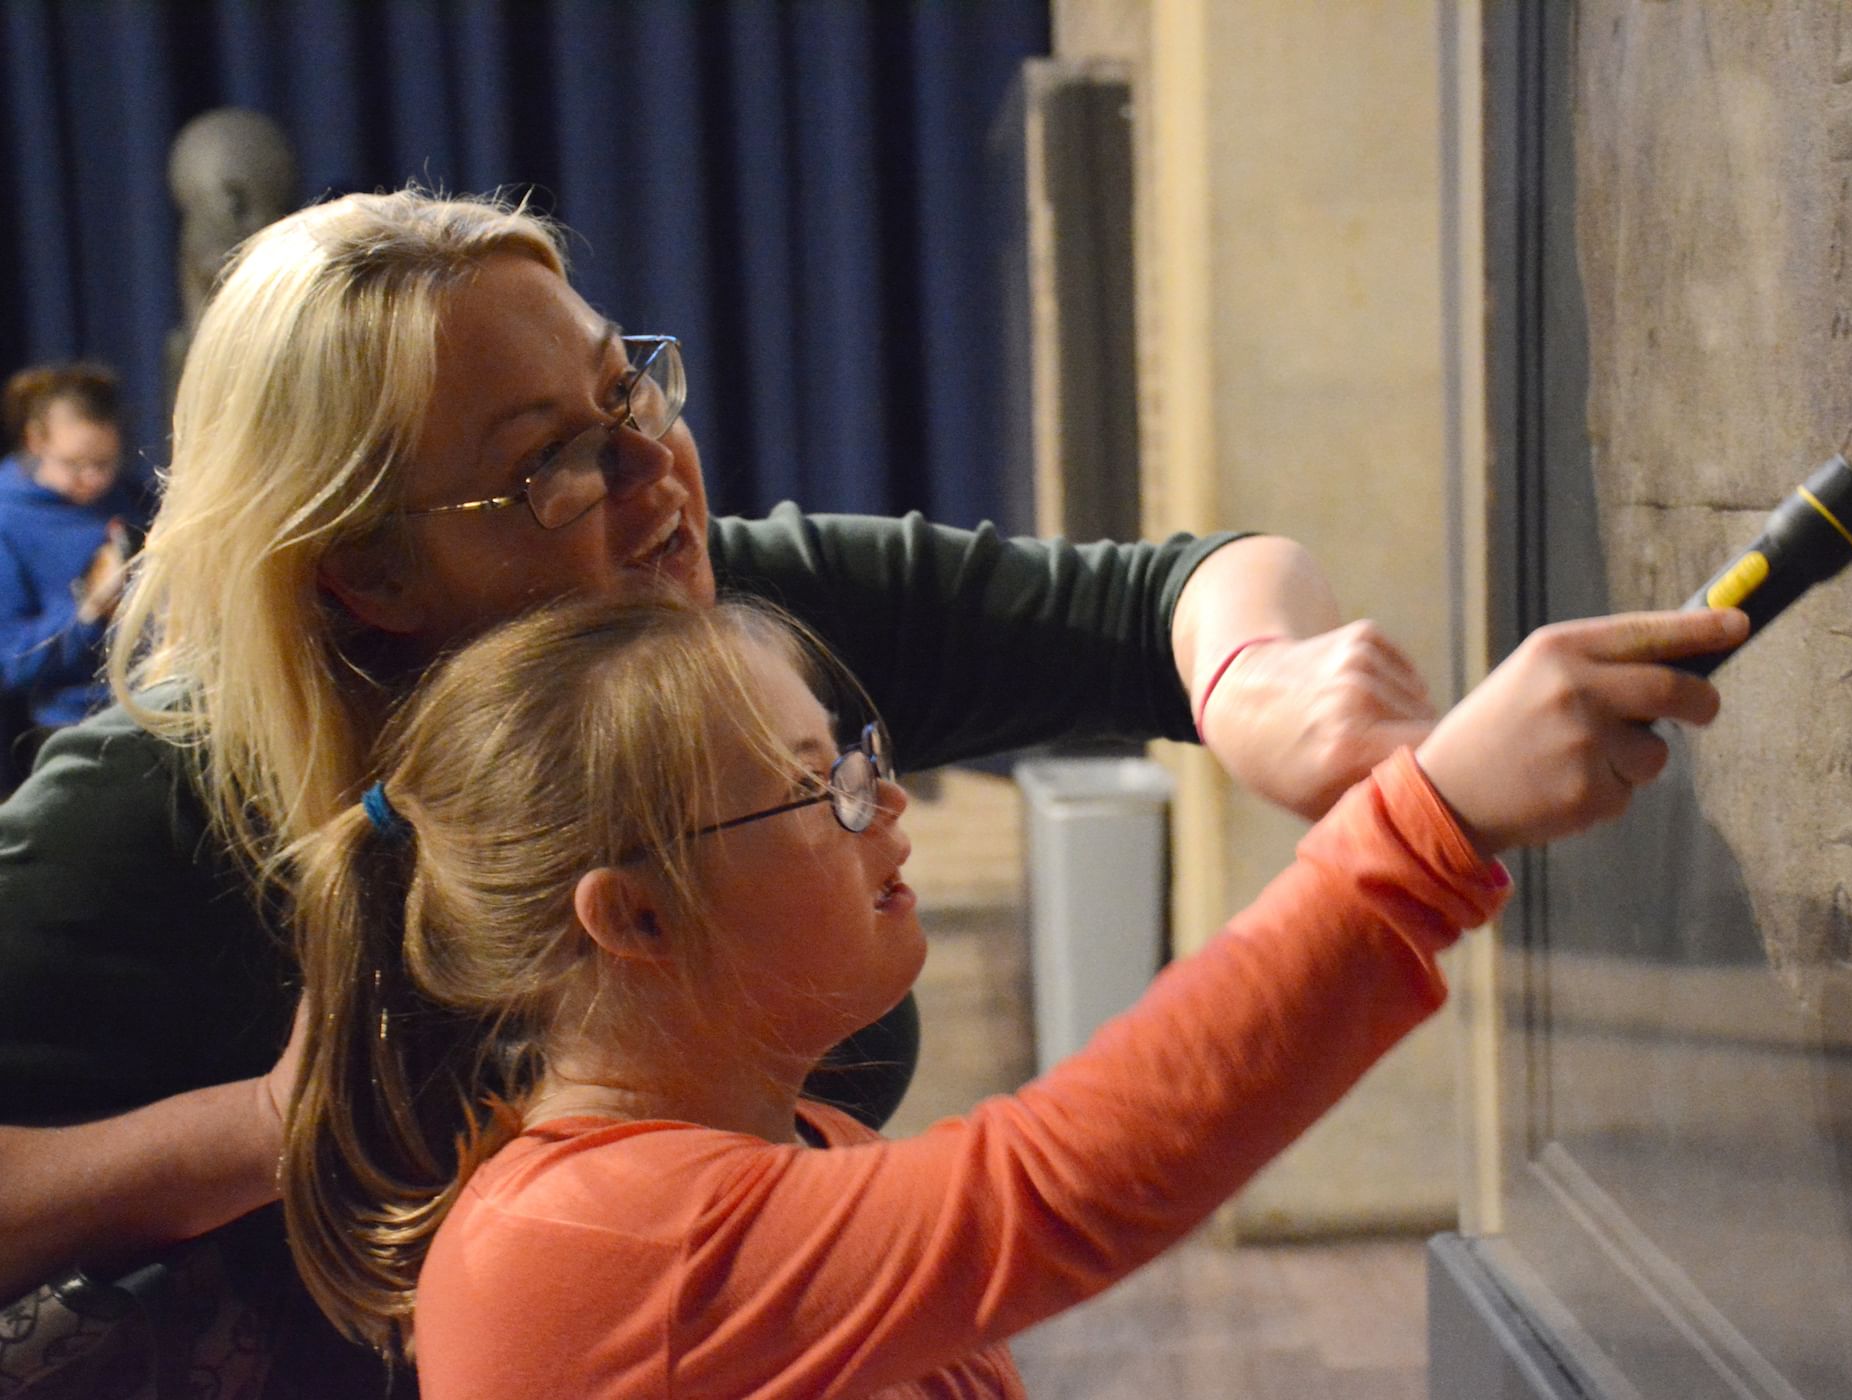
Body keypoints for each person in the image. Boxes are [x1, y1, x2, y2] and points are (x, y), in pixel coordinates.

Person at [0, 188, 1441, 1391]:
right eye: (553, 464)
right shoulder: (161, 803)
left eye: (627, 382)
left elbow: (1171, 597)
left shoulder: (710, 610)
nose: (654, 467)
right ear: (366, 575)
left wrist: (1257, 682)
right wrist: (270, 1127)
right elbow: (1045, 1193)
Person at [279, 590, 1744, 1395]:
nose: (887, 801)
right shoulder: (579, 1242)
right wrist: (1429, 827)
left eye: (853, 754)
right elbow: (1051, 1186)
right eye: (818, 790)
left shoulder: (786, 1156)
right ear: (637, 917)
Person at [0, 363, 146, 760]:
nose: (94, 479)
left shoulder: (130, 496)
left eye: (105, 463)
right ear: (35, 441)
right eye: (74, 465)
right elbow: (11, 661)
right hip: (69, 727)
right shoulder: (8, 518)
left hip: (148, 704)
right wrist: (90, 608)